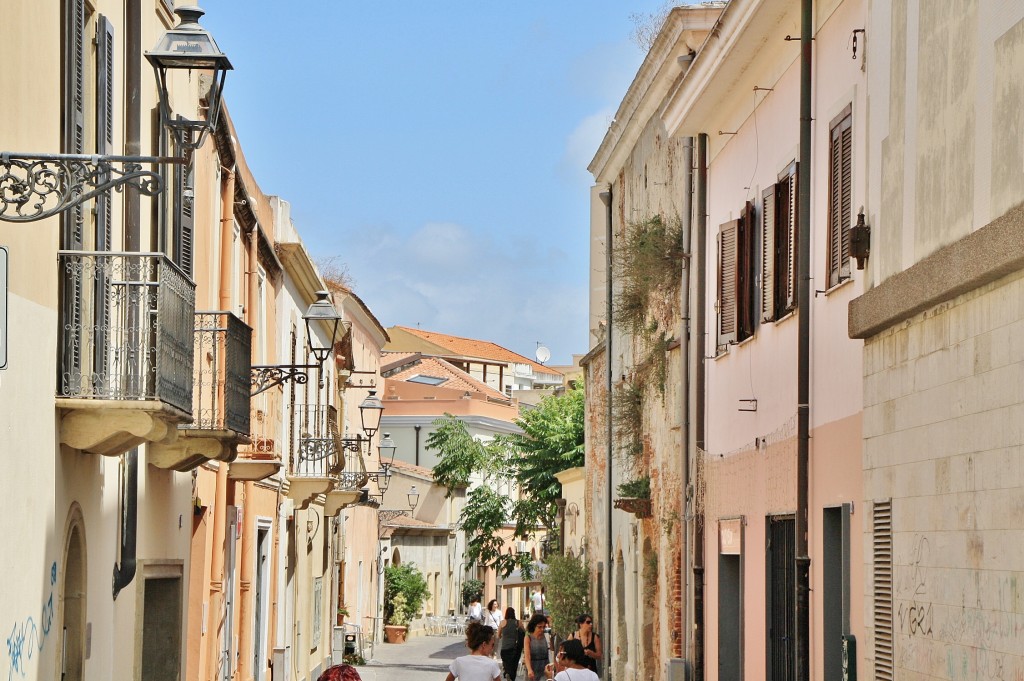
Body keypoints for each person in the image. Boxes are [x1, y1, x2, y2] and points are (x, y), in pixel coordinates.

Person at [497, 607, 525, 681]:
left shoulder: (502, 622)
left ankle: (506, 673)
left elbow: (498, 635)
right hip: (514, 648)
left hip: (504, 648)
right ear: (514, 613)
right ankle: (511, 677)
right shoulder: (518, 622)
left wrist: (504, 635)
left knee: (506, 663)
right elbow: (524, 632)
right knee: (514, 665)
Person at [523, 613, 550, 681]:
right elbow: (527, 655)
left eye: (544, 627)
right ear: (534, 626)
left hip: (544, 670)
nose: (542, 629)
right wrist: (529, 669)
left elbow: (552, 650)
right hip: (532, 670)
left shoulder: (546, 636)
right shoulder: (528, 638)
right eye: (539, 627)